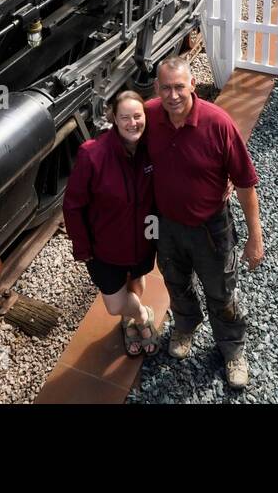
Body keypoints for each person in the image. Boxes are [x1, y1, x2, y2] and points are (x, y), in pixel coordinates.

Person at [144, 56, 264, 388]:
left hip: (211, 229)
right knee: (175, 281)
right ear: (157, 88)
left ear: (193, 85)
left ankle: (232, 349)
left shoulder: (218, 124)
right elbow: (119, 140)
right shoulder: (149, 117)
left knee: (221, 292)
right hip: (166, 226)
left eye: (179, 87)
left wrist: (256, 235)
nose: (173, 95)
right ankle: (185, 325)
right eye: (165, 88)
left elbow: (243, 181)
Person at [62, 90, 159, 356]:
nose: (132, 123)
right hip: (103, 250)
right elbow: (72, 206)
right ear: (114, 119)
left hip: (143, 241)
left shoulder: (151, 149)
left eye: (138, 116)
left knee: (137, 282)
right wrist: (83, 249)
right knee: (115, 304)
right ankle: (140, 315)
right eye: (125, 117)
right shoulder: (93, 155)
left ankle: (128, 323)